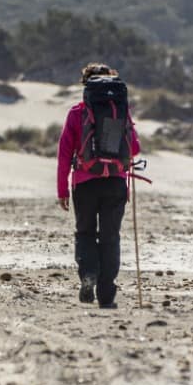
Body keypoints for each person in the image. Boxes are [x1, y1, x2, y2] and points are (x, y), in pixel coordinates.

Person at [56, 62, 141, 309]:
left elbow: (64, 154)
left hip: (84, 182)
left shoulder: (76, 113)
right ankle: (107, 295)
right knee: (110, 236)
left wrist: (62, 190)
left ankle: (88, 274)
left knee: (85, 233)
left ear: (86, 85)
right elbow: (134, 148)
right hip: (115, 182)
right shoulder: (121, 111)